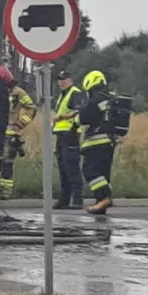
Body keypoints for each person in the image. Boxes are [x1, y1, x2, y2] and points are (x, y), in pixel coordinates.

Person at [0, 65, 36, 200]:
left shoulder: (17, 93)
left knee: (7, 164)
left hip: (10, 136)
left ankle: (5, 193)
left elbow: (31, 108)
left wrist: (21, 123)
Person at [76, 69, 116, 215]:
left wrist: (76, 116)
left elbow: (83, 119)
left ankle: (104, 197)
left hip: (96, 141)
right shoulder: (111, 99)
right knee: (103, 173)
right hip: (110, 141)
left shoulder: (95, 100)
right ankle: (102, 203)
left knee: (90, 170)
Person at [51, 70, 86, 209]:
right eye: (60, 79)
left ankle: (77, 199)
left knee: (72, 168)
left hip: (70, 134)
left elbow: (78, 111)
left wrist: (61, 117)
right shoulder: (62, 95)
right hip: (61, 135)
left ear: (71, 80)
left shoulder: (75, 93)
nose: (61, 81)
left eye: (64, 79)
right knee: (63, 169)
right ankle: (64, 199)